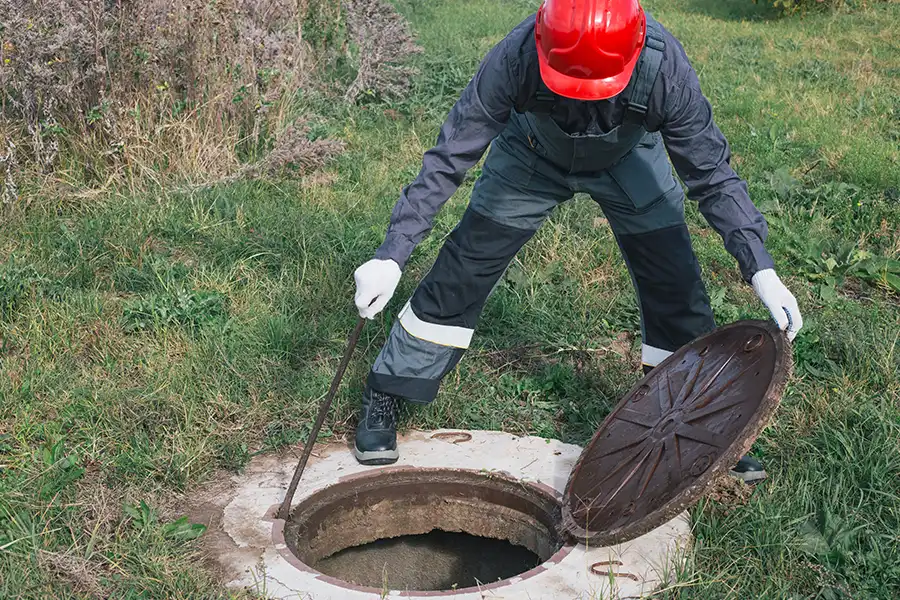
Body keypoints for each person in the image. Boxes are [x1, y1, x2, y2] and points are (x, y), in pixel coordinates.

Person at [350, 0, 803, 482]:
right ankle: (389, 388)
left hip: (628, 159)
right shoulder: (514, 57)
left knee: (674, 278)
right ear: (543, 46)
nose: (586, 98)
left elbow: (711, 174)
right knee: (466, 264)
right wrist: (392, 255)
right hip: (531, 155)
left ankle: (696, 421)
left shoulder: (665, 66)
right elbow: (449, 157)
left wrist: (761, 269)